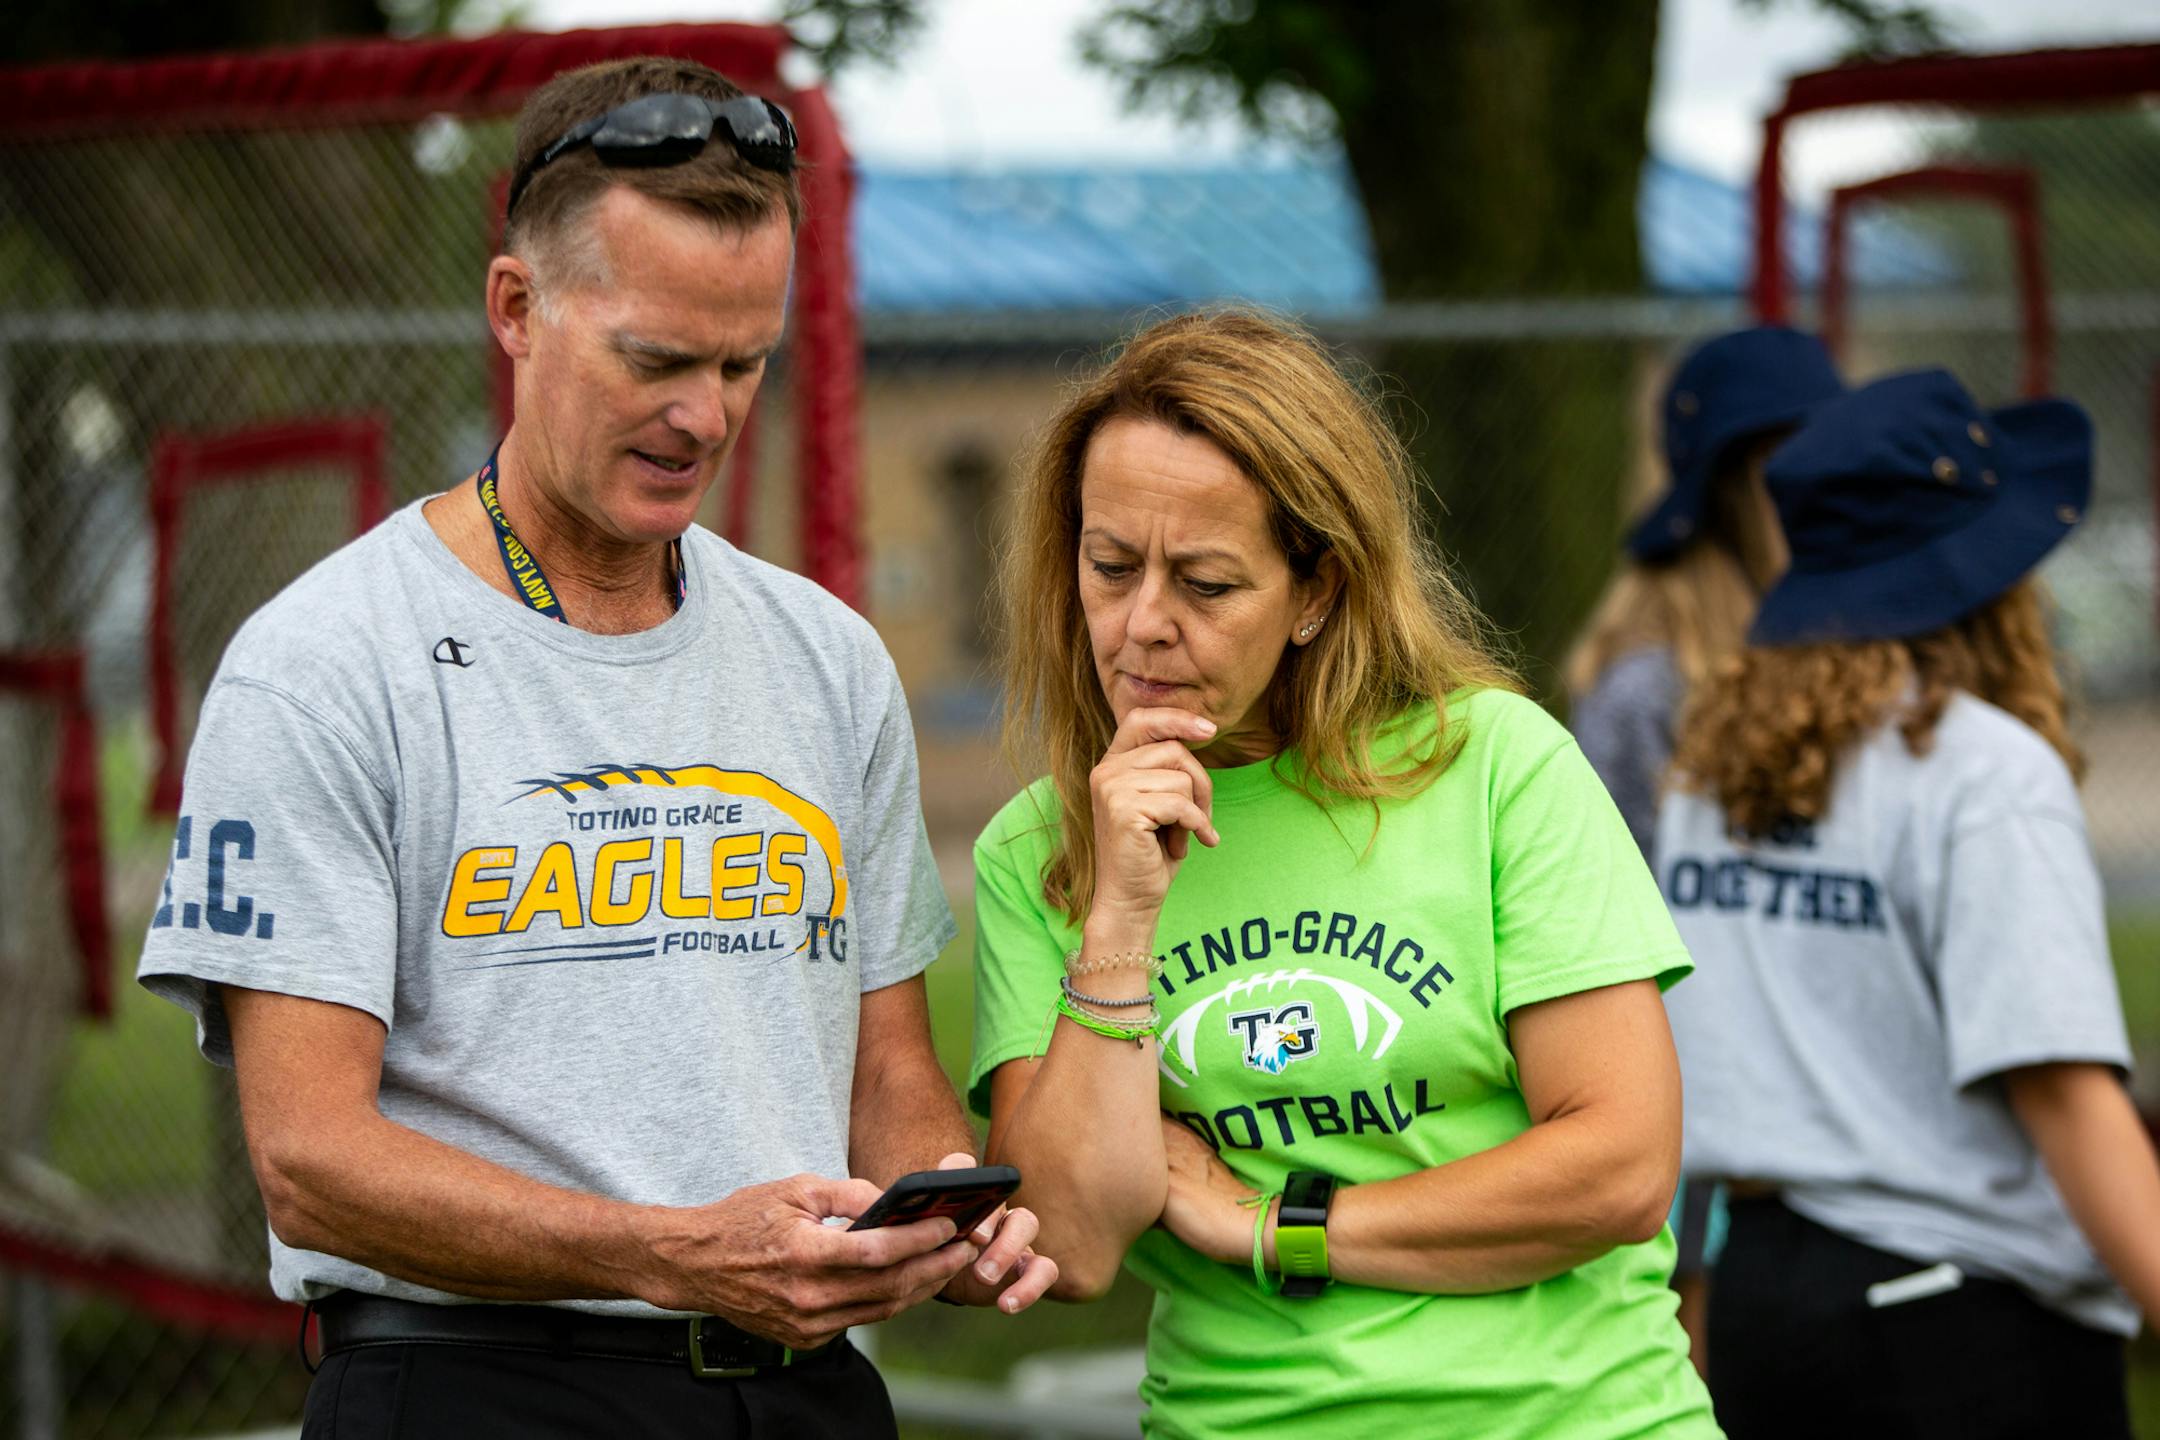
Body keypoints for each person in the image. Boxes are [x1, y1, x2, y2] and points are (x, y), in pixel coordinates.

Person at [135, 56, 1052, 1440]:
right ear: (516, 308)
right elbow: (309, 1164)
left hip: (803, 1399)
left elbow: (887, 1070)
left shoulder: (826, 655)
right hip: (471, 1390)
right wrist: (678, 1252)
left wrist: (936, 1209)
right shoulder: (325, 661)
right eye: (656, 358)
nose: (707, 414)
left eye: (745, 362)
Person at [967, 308, 1721, 1437]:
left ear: (1317, 591)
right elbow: (1066, 1245)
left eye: (1209, 584)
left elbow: (1618, 1169)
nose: (1143, 626)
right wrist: (1119, 918)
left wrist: (1275, 1228)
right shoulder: (1041, 851)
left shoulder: (1494, 768)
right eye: (1110, 565)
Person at [1658, 369, 2160, 1438]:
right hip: (1960, 1319)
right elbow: (2063, 1091)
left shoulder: (1713, 767)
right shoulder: (1985, 772)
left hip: (1760, 1302)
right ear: (1994, 576)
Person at [1565, 325, 1842, 1364]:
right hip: (1688, 1092)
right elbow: (1614, 943)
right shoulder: (1647, 694)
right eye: (1794, 463)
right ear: (1734, 485)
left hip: (1815, 1083)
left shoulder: (1834, 646)